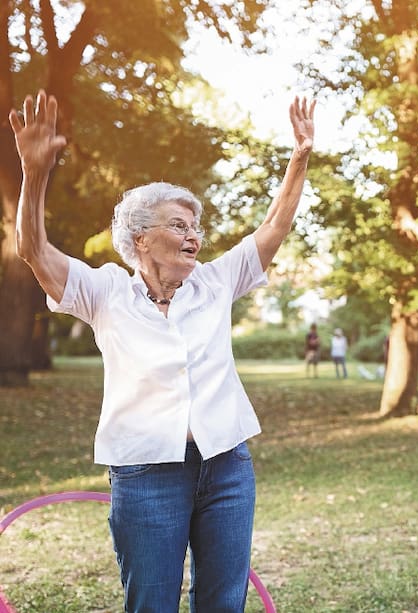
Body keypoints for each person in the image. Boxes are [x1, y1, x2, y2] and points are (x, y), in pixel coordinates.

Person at [11, 89, 316, 611]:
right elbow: (33, 250)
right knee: (151, 602)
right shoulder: (104, 291)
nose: (194, 236)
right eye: (179, 225)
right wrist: (34, 174)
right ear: (141, 239)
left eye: (195, 227)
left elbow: (274, 226)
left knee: (223, 602)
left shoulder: (215, 283)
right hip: (146, 472)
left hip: (226, 466)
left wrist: (300, 156)